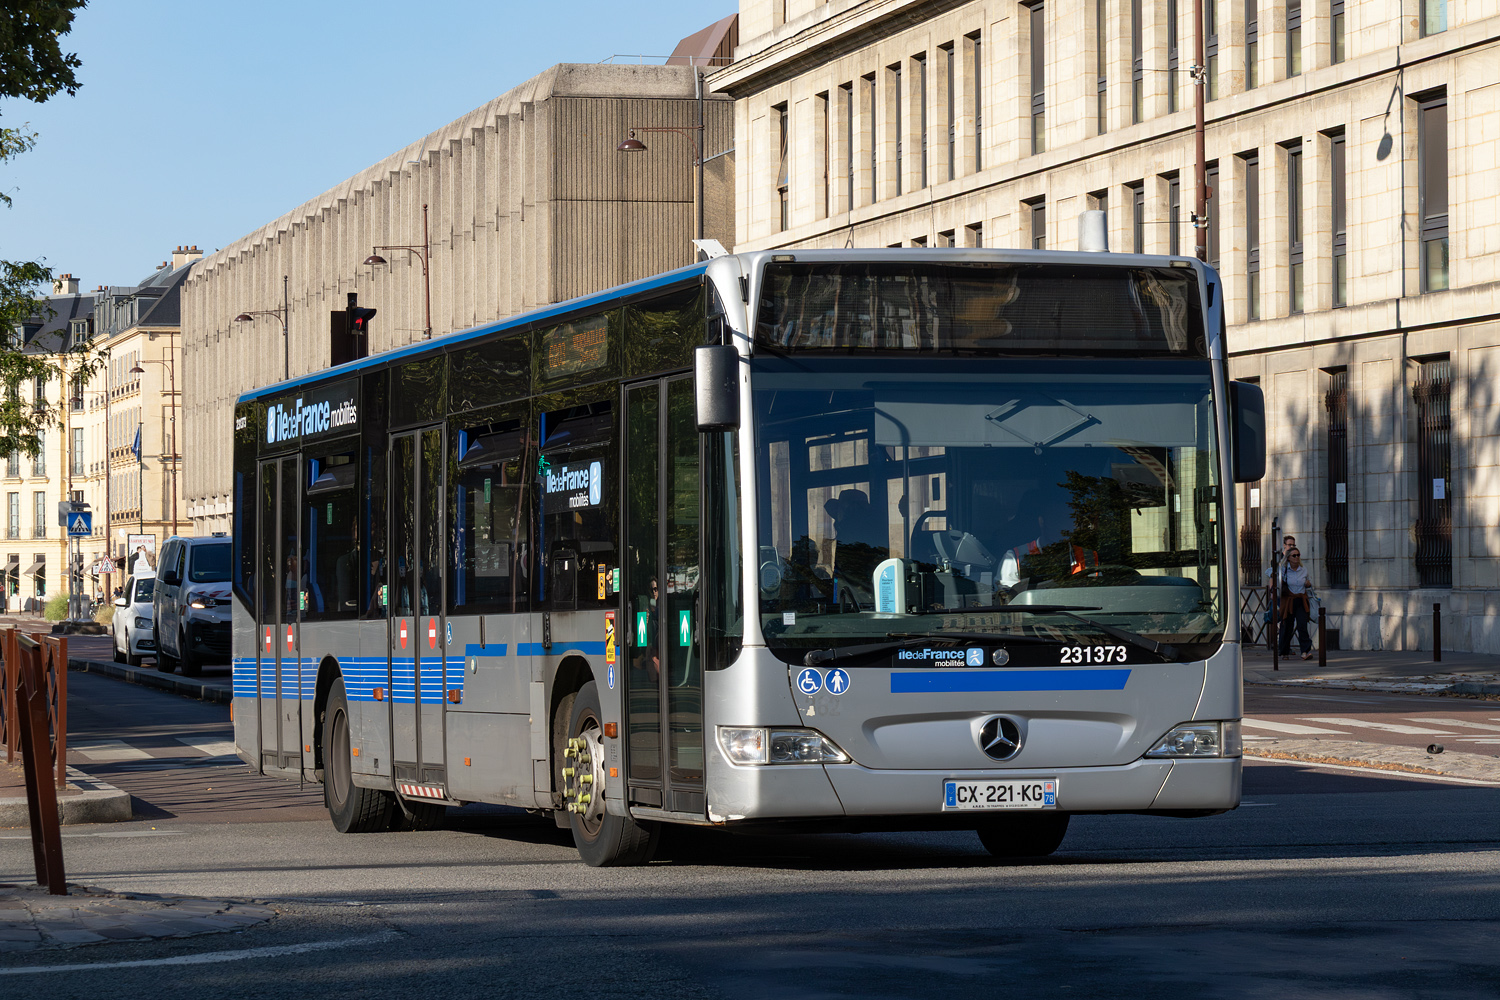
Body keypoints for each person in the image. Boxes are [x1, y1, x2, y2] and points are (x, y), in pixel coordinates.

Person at [1277, 547, 1317, 660]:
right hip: (1289, 600)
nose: (1297, 558)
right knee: (1287, 626)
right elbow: (1278, 583)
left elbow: (1308, 583)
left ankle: (1305, 651)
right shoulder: (1284, 569)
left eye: (1298, 555)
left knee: (1302, 625)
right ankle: (1284, 651)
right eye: (1294, 555)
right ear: (1288, 558)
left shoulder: (1303, 570)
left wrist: (1308, 584)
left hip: (1301, 600)